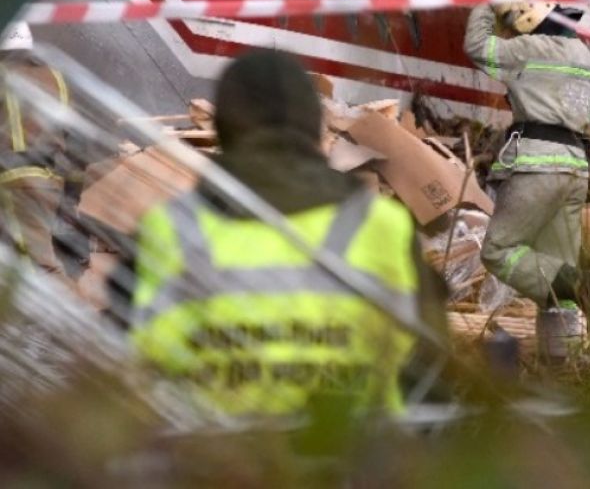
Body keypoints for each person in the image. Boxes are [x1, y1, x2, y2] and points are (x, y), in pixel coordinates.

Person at [128, 49, 446, 417]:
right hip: (354, 462)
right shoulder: (382, 226)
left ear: (227, 128)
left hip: (210, 462)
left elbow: (124, 372)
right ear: (313, 127)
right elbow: (430, 372)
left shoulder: (172, 227)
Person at [463, 0, 590, 319]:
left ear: (524, 20)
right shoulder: (585, 59)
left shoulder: (528, 50)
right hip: (576, 170)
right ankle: (567, 362)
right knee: (557, 276)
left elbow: (479, 47)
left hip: (536, 164)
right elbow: (588, 117)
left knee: (498, 249)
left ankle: (582, 285)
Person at [0, 23, 84, 291]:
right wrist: (70, 200)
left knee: (39, 266)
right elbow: (77, 143)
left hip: (15, 181)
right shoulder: (55, 78)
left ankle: (62, 324)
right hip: (50, 178)